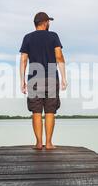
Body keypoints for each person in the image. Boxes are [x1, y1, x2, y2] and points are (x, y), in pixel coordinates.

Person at [19, 12, 67, 150]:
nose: (49, 24)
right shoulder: (53, 36)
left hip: (34, 76)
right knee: (50, 111)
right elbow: (59, 56)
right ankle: (49, 143)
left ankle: (39, 143)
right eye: (48, 21)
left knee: (36, 111)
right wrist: (64, 77)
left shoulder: (27, 38)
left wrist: (22, 81)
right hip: (51, 75)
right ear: (45, 22)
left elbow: (23, 60)